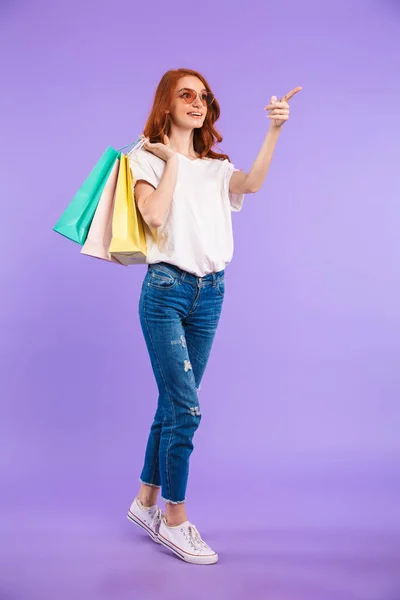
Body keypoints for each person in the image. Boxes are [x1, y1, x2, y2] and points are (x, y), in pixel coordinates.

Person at [126, 68, 301, 565]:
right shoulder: (144, 157)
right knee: (186, 408)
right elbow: (155, 216)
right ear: (167, 102)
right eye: (186, 94)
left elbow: (255, 183)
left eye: (203, 96)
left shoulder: (217, 167)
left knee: (173, 403)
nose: (197, 102)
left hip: (212, 293)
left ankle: (144, 502)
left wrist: (275, 129)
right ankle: (174, 520)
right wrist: (174, 165)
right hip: (165, 292)